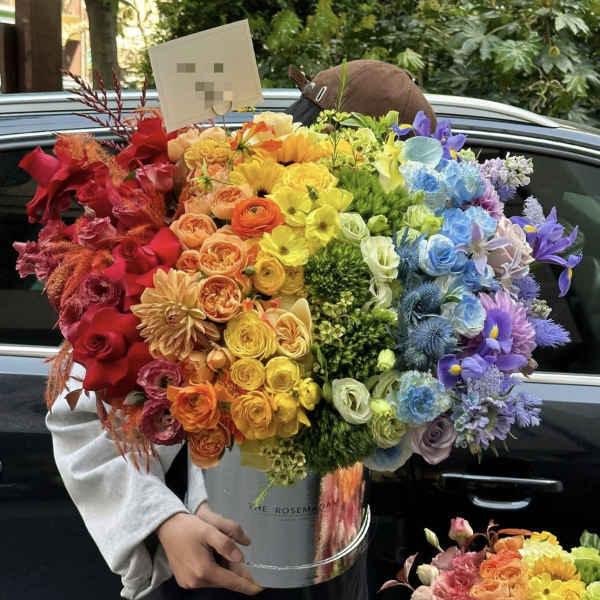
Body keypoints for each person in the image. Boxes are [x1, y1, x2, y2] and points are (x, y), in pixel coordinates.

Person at [46, 59, 436, 600]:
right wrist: (162, 520)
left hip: (332, 552)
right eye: (365, 151)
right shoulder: (194, 230)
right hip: (212, 560)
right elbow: (84, 412)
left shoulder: (399, 256)